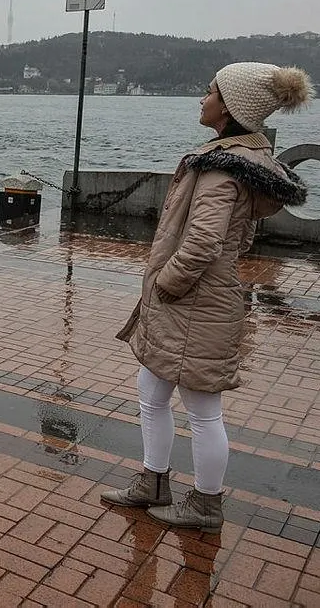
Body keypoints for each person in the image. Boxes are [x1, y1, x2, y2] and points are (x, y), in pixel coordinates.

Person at [102, 63, 313, 533]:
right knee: (152, 391)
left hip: (194, 301)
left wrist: (168, 283)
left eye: (211, 91)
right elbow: (243, 237)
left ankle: (206, 503)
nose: (203, 98)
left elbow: (203, 242)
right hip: (200, 298)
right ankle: (153, 482)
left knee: (202, 409)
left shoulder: (220, 170)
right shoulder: (243, 162)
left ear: (231, 107)